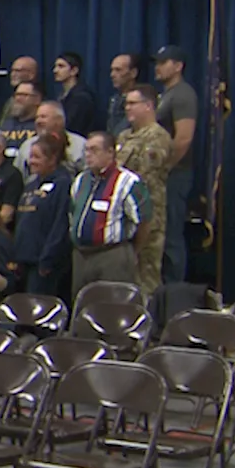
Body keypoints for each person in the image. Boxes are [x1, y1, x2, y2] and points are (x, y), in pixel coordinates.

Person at [70, 132, 152, 296]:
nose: (88, 154)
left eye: (94, 150)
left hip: (112, 255)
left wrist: (131, 251)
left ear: (110, 153)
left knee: (112, 307)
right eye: (86, 150)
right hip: (81, 255)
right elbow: (72, 213)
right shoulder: (81, 180)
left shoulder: (128, 182)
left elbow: (145, 221)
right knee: (82, 306)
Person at [115, 84, 173, 296]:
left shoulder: (157, 137)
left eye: (132, 103)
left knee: (146, 275)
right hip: (123, 216)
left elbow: (144, 176)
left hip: (148, 217)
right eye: (126, 103)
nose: (127, 108)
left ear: (148, 106)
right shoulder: (123, 137)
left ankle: (150, 322)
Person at [152, 44, 198, 284]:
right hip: (163, 174)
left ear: (178, 66)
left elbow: (184, 138)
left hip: (175, 174)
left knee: (171, 235)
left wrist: (165, 167)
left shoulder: (183, 94)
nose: (158, 68)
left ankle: (174, 289)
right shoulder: (166, 94)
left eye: (163, 62)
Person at [13, 134, 73, 297]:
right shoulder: (31, 184)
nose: (32, 161)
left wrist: (48, 258)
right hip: (25, 259)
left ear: (52, 158)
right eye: (31, 156)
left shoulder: (63, 183)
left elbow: (60, 225)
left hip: (45, 264)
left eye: (37, 157)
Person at [14, 100, 87, 180]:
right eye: (37, 117)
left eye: (43, 117)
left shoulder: (80, 145)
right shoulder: (27, 145)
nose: (38, 121)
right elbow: (18, 176)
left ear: (59, 121)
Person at [52, 52, 97, 136]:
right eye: (55, 66)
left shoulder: (82, 98)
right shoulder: (62, 96)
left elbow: (72, 126)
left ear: (74, 71)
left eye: (61, 66)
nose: (55, 70)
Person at [0, 80, 42, 158]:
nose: (18, 99)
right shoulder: (6, 123)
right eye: (16, 95)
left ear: (37, 99)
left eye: (23, 95)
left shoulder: (41, 124)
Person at [107, 52, 144, 135]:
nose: (112, 75)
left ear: (133, 73)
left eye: (118, 70)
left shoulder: (143, 98)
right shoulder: (114, 99)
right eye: (112, 70)